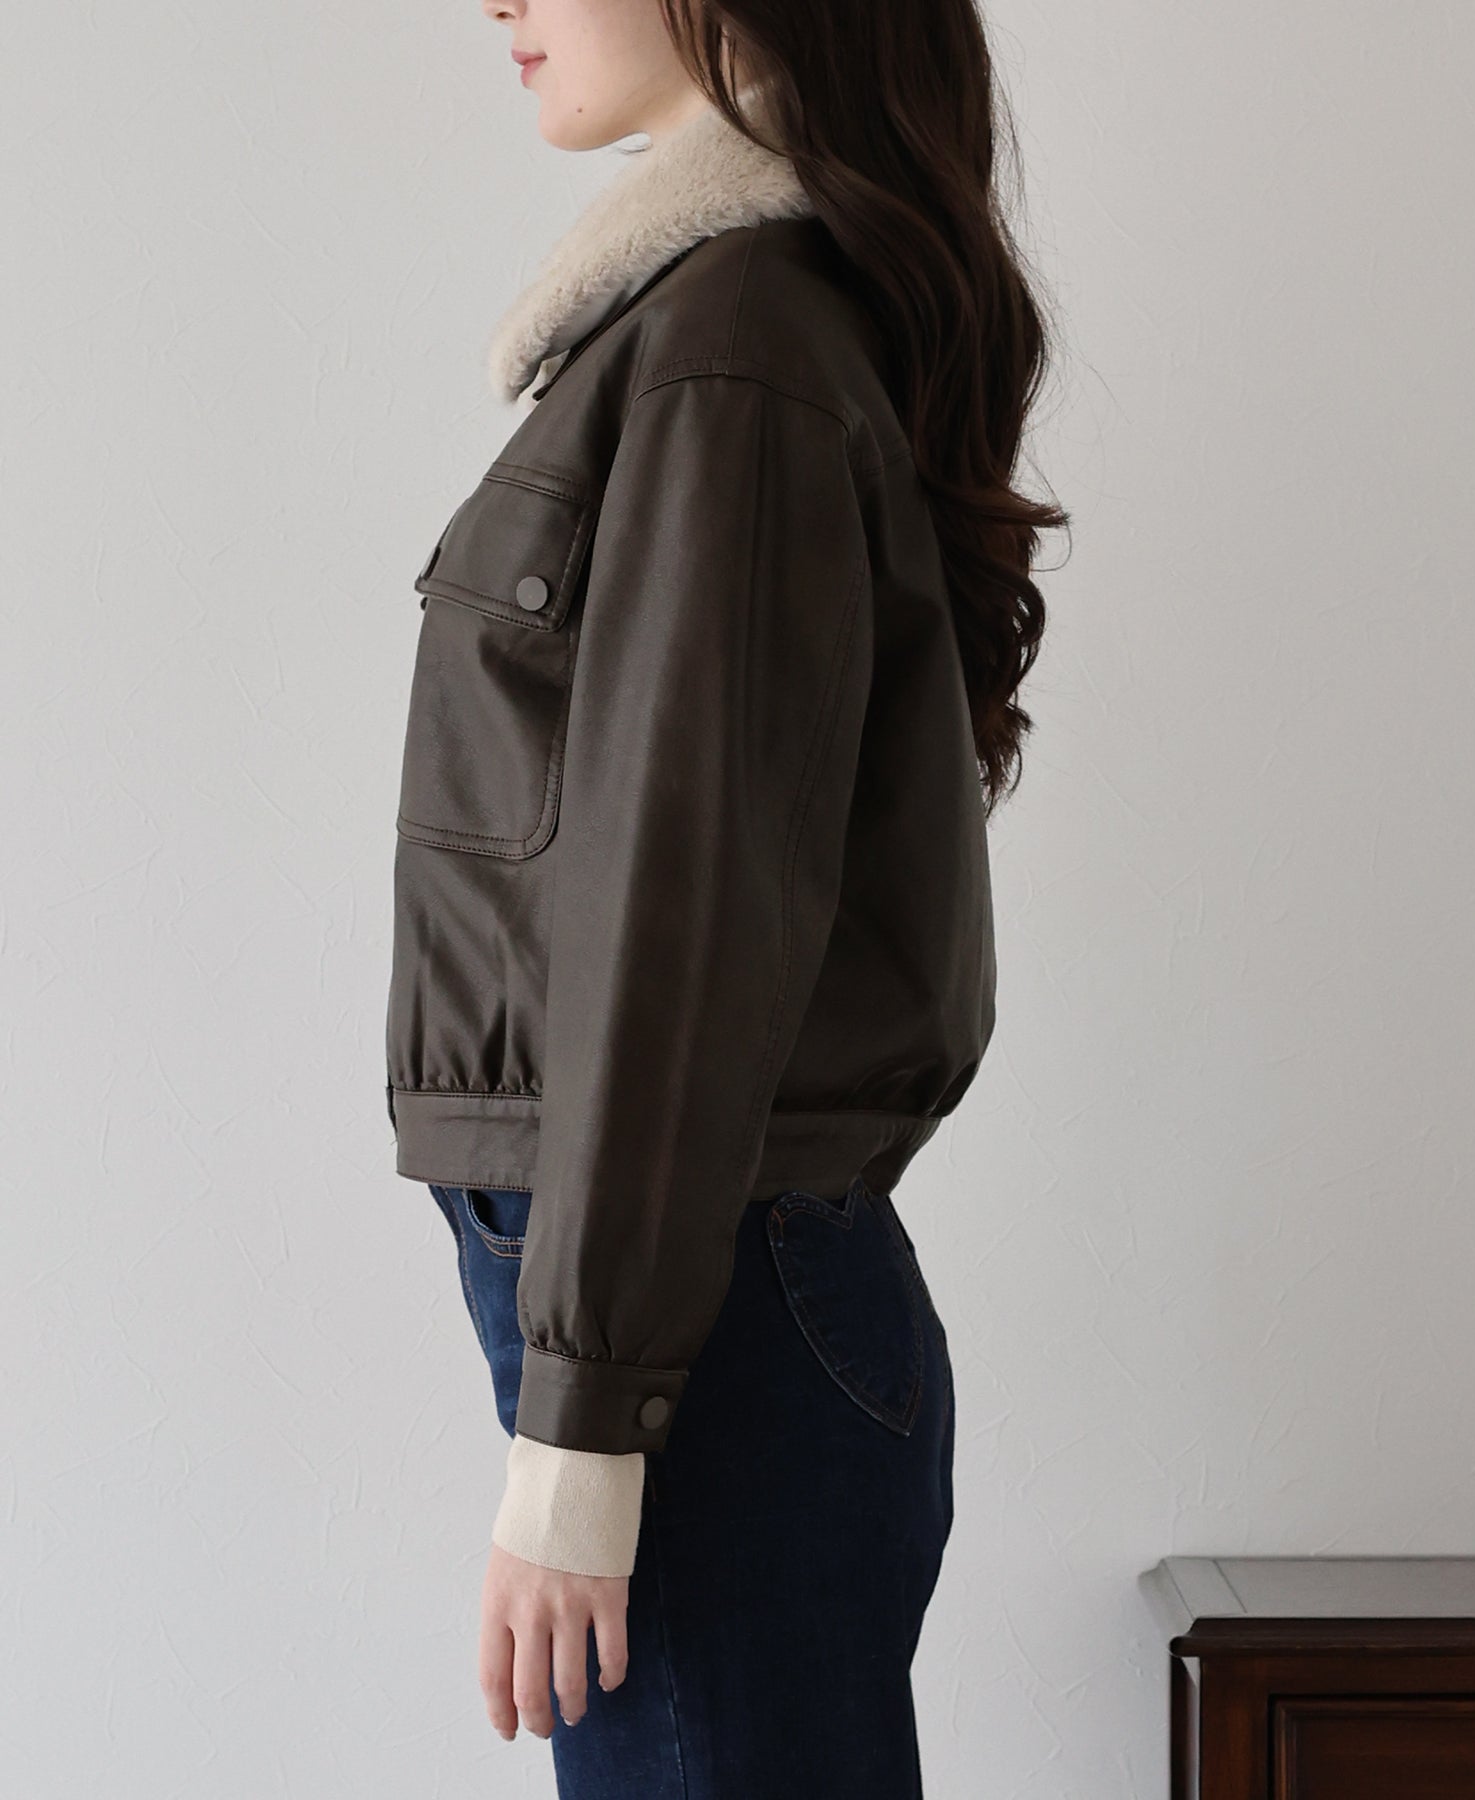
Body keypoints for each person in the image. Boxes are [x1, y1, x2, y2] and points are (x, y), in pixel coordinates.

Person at [384, 1, 1065, 1792]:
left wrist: (586, 1428)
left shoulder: (731, 344)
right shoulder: (708, 326)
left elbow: (674, 920)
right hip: (710, 1314)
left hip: (702, 1338)